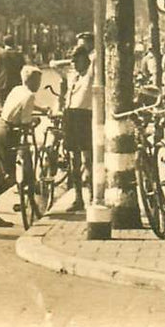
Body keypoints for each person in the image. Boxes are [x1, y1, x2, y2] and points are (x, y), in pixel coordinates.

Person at [0, 65, 49, 227]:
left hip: (1, 131)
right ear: (31, 80)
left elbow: (21, 105)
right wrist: (36, 121)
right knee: (11, 177)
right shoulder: (29, 96)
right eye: (38, 80)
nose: (39, 84)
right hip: (10, 136)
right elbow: (25, 122)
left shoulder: (18, 89)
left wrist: (41, 109)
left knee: (0, 173)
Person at [63, 47, 93, 213]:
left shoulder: (90, 75)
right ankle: (78, 198)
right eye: (72, 60)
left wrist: (86, 45)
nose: (74, 63)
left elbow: (96, 56)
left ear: (85, 59)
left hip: (84, 117)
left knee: (87, 160)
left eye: (77, 59)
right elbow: (54, 65)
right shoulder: (73, 77)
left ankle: (92, 195)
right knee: (73, 161)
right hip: (70, 116)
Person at [0, 34, 25, 106]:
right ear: (14, 43)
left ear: (4, 43)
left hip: (3, 82)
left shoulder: (0, 54)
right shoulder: (19, 54)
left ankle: (1, 106)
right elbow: (23, 67)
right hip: (16, 81)